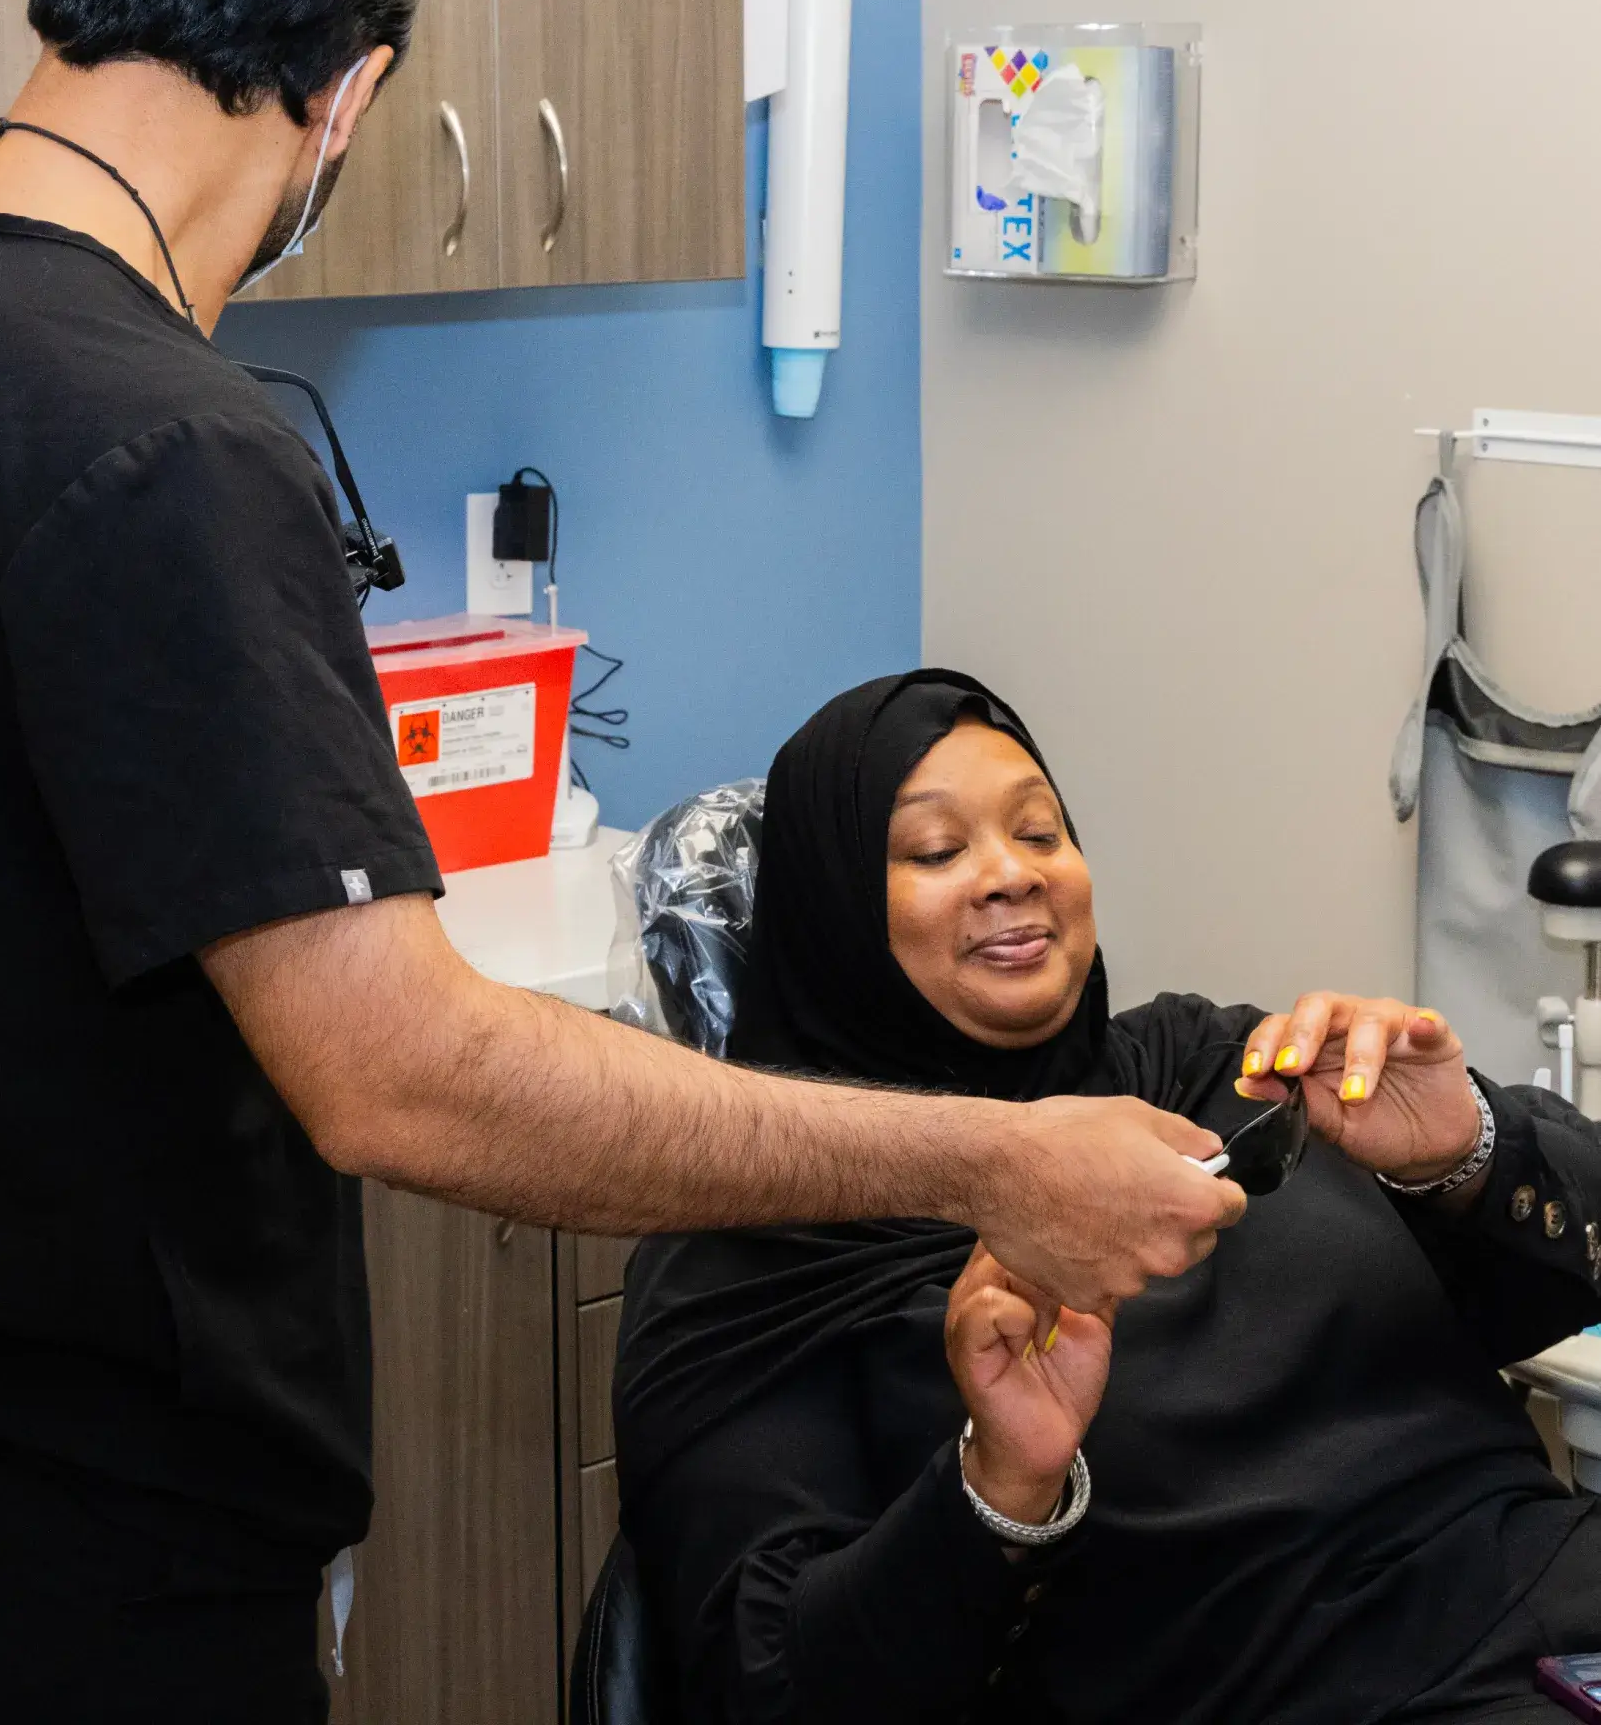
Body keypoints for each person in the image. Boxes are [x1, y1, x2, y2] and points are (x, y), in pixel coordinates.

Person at [0, 0, 1244, 1721]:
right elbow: (404, 1075)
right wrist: (988, 1159)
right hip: (90, 1559)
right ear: (352, 90)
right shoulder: (170, 448)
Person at [613, 670, 1601, 1725]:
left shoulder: (1213, 1062)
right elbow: (770, 1688)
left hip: (1552, 1611)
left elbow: (1548, 1287)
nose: (1010, 876)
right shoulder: (756, 1255)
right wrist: (999, 1490)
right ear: (831, 919)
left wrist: (1462, 1157)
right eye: (936, 851)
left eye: (1040, 833)